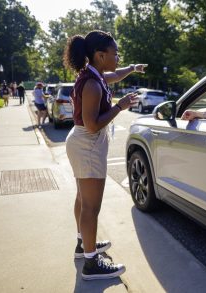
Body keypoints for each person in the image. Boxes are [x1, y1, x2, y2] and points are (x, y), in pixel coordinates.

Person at [63, 30, 146, 280]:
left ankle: (83, 245)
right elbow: (91, 125)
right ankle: (91, 263)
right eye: (115, 53)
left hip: (84, 144)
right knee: (91, 207)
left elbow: (117, 74)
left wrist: (133, 67)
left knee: (82, 200)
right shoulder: (92, 84)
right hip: (88, 144)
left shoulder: (95, 75)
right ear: (100, 56)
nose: (118, 57)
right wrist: (120, 107)